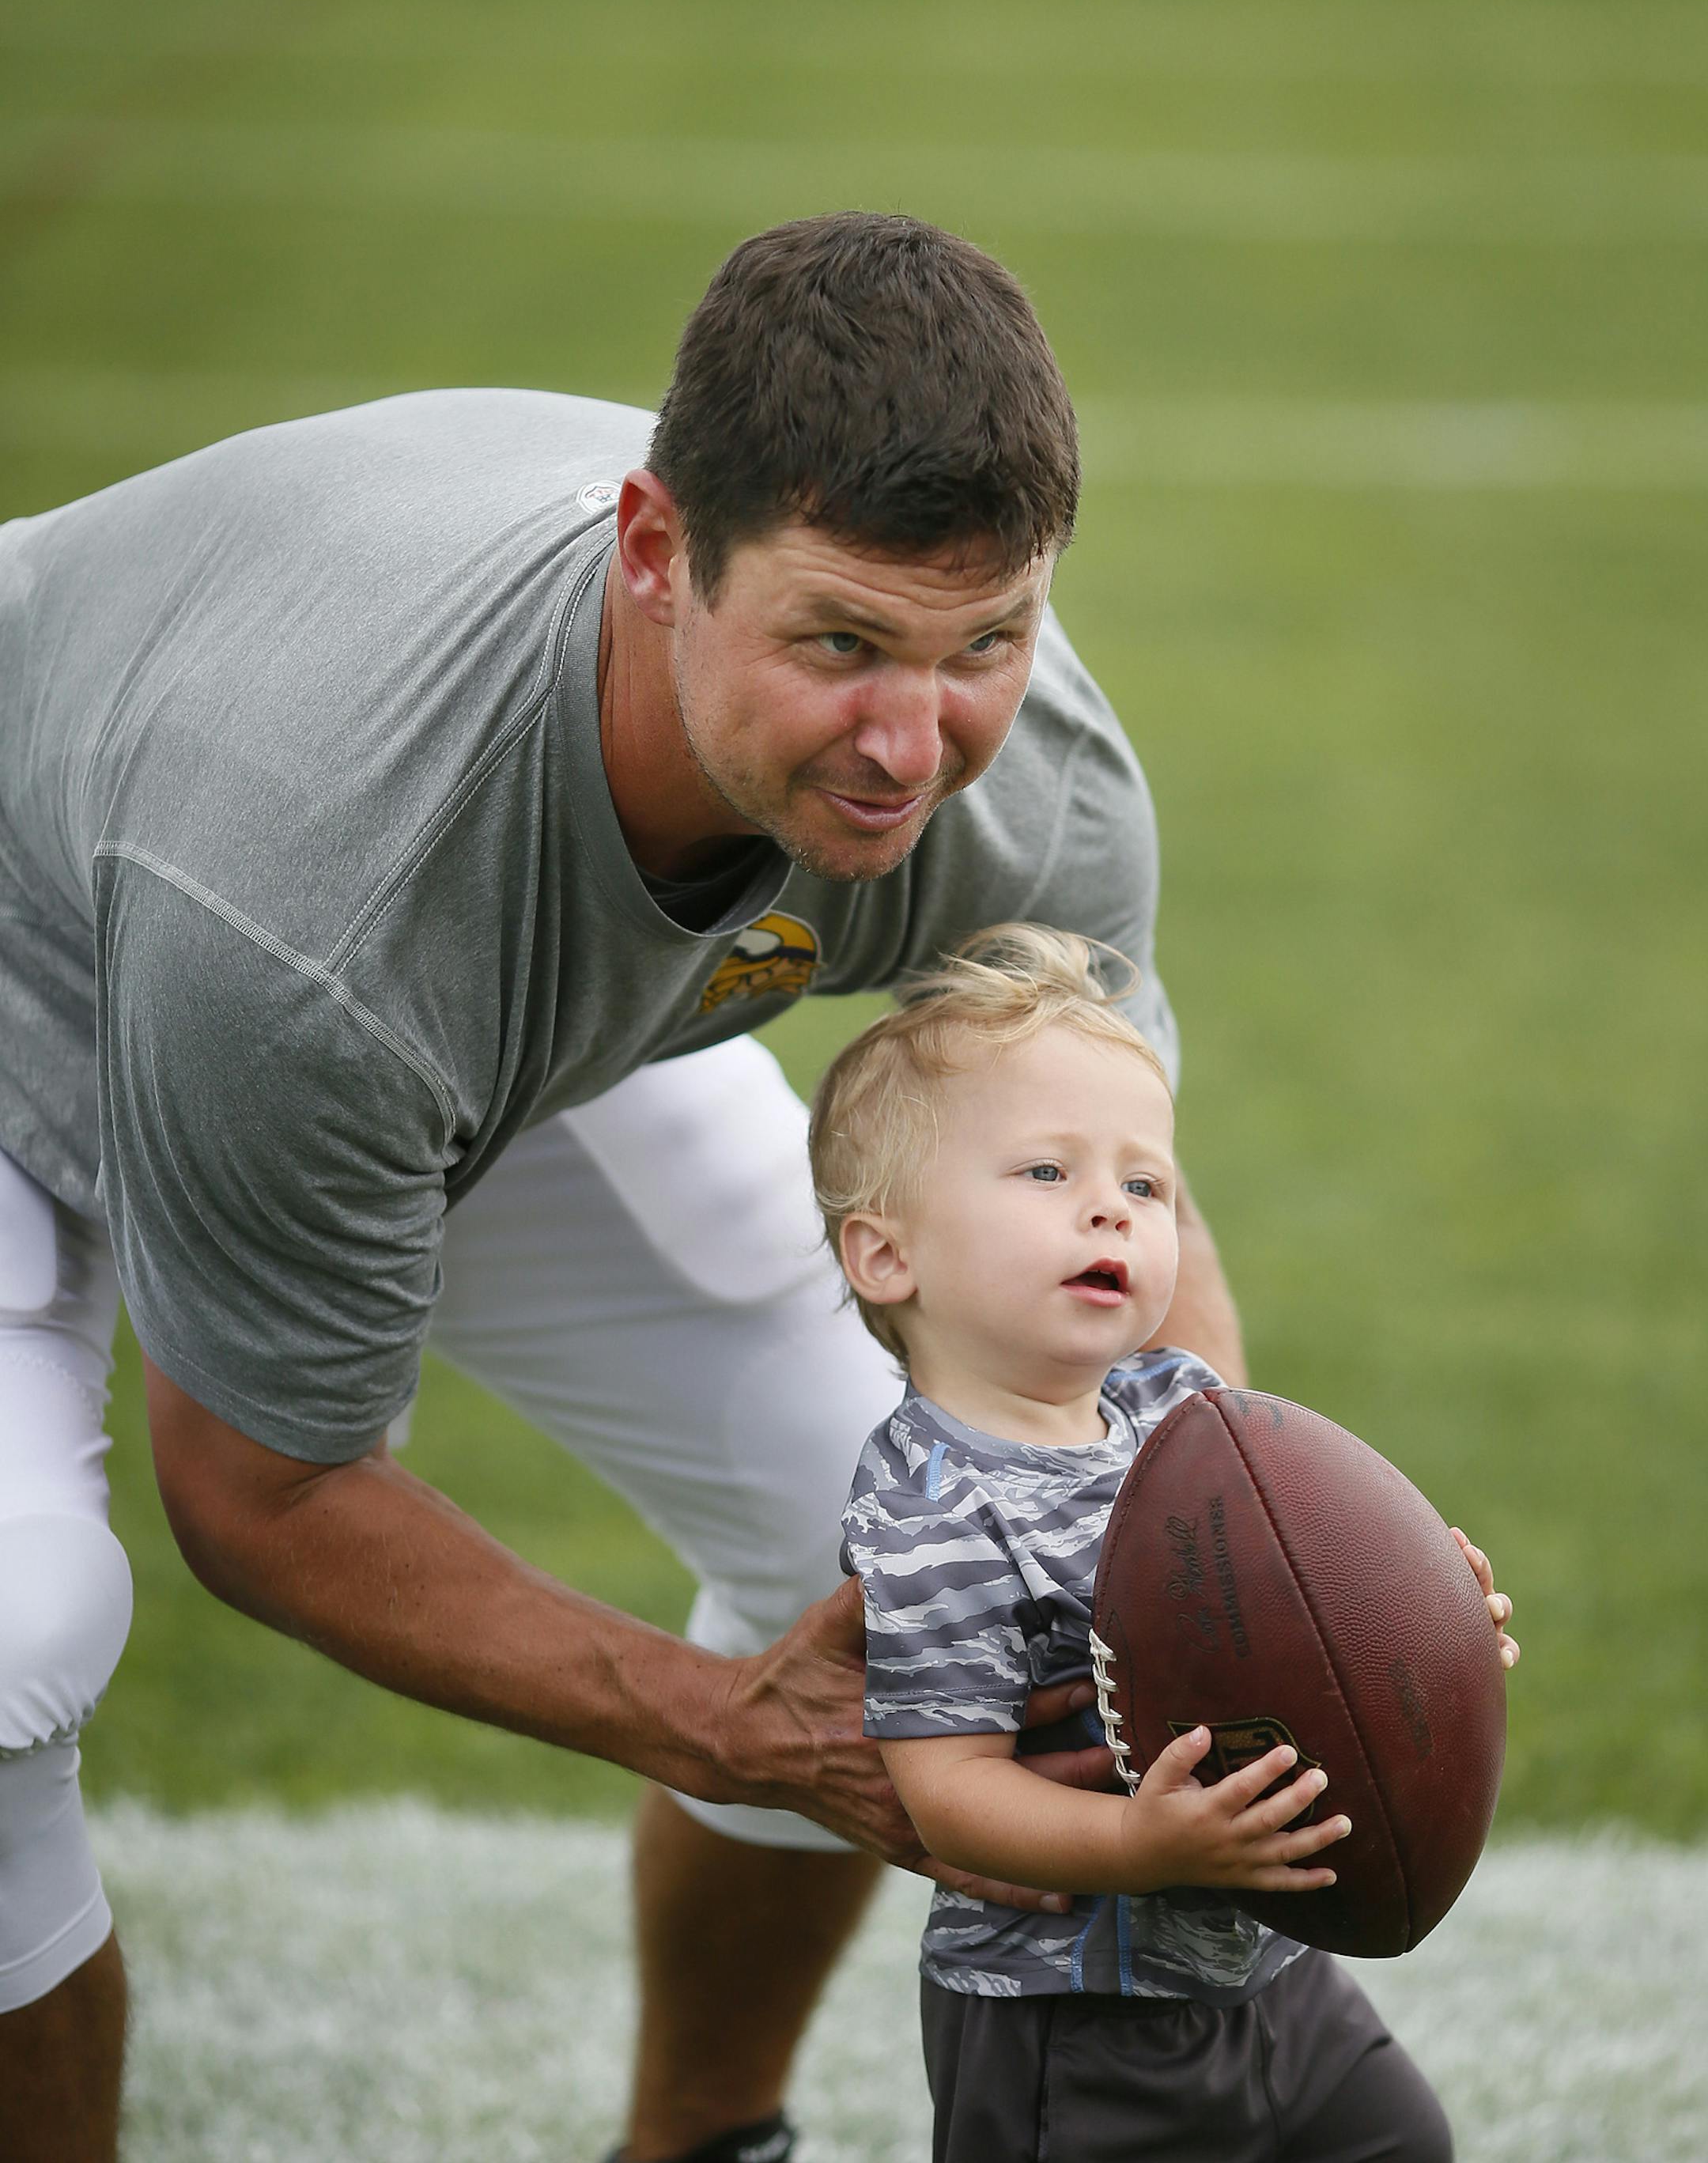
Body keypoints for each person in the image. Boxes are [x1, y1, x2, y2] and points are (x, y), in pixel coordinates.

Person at [1, 213, 1247, 2163]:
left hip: (436, 1004)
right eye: (838, 642)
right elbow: (261, 1495)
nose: (916, 743)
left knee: (881, 1529)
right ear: (656, 554)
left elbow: (1101, 1217)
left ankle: (702, 2144)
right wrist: (719, 1715)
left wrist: (1248, 1555)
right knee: (7, 1635)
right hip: (72, 946)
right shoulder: (326, 896)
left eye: (981, 643)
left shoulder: (1021, 770)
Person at [824, 925, 1520, 2163]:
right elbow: (949, 1796)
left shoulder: (1184, 1413)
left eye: (1144, 1185)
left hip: (1270, 1969)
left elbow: (1298, 1603)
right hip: (1077, 2021)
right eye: (1047, 1172)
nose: (1112, 1205)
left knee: (1404, 2144)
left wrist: (1427, 1619)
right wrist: (1136, 1847)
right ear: (889, 1252)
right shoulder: (932, 1510)